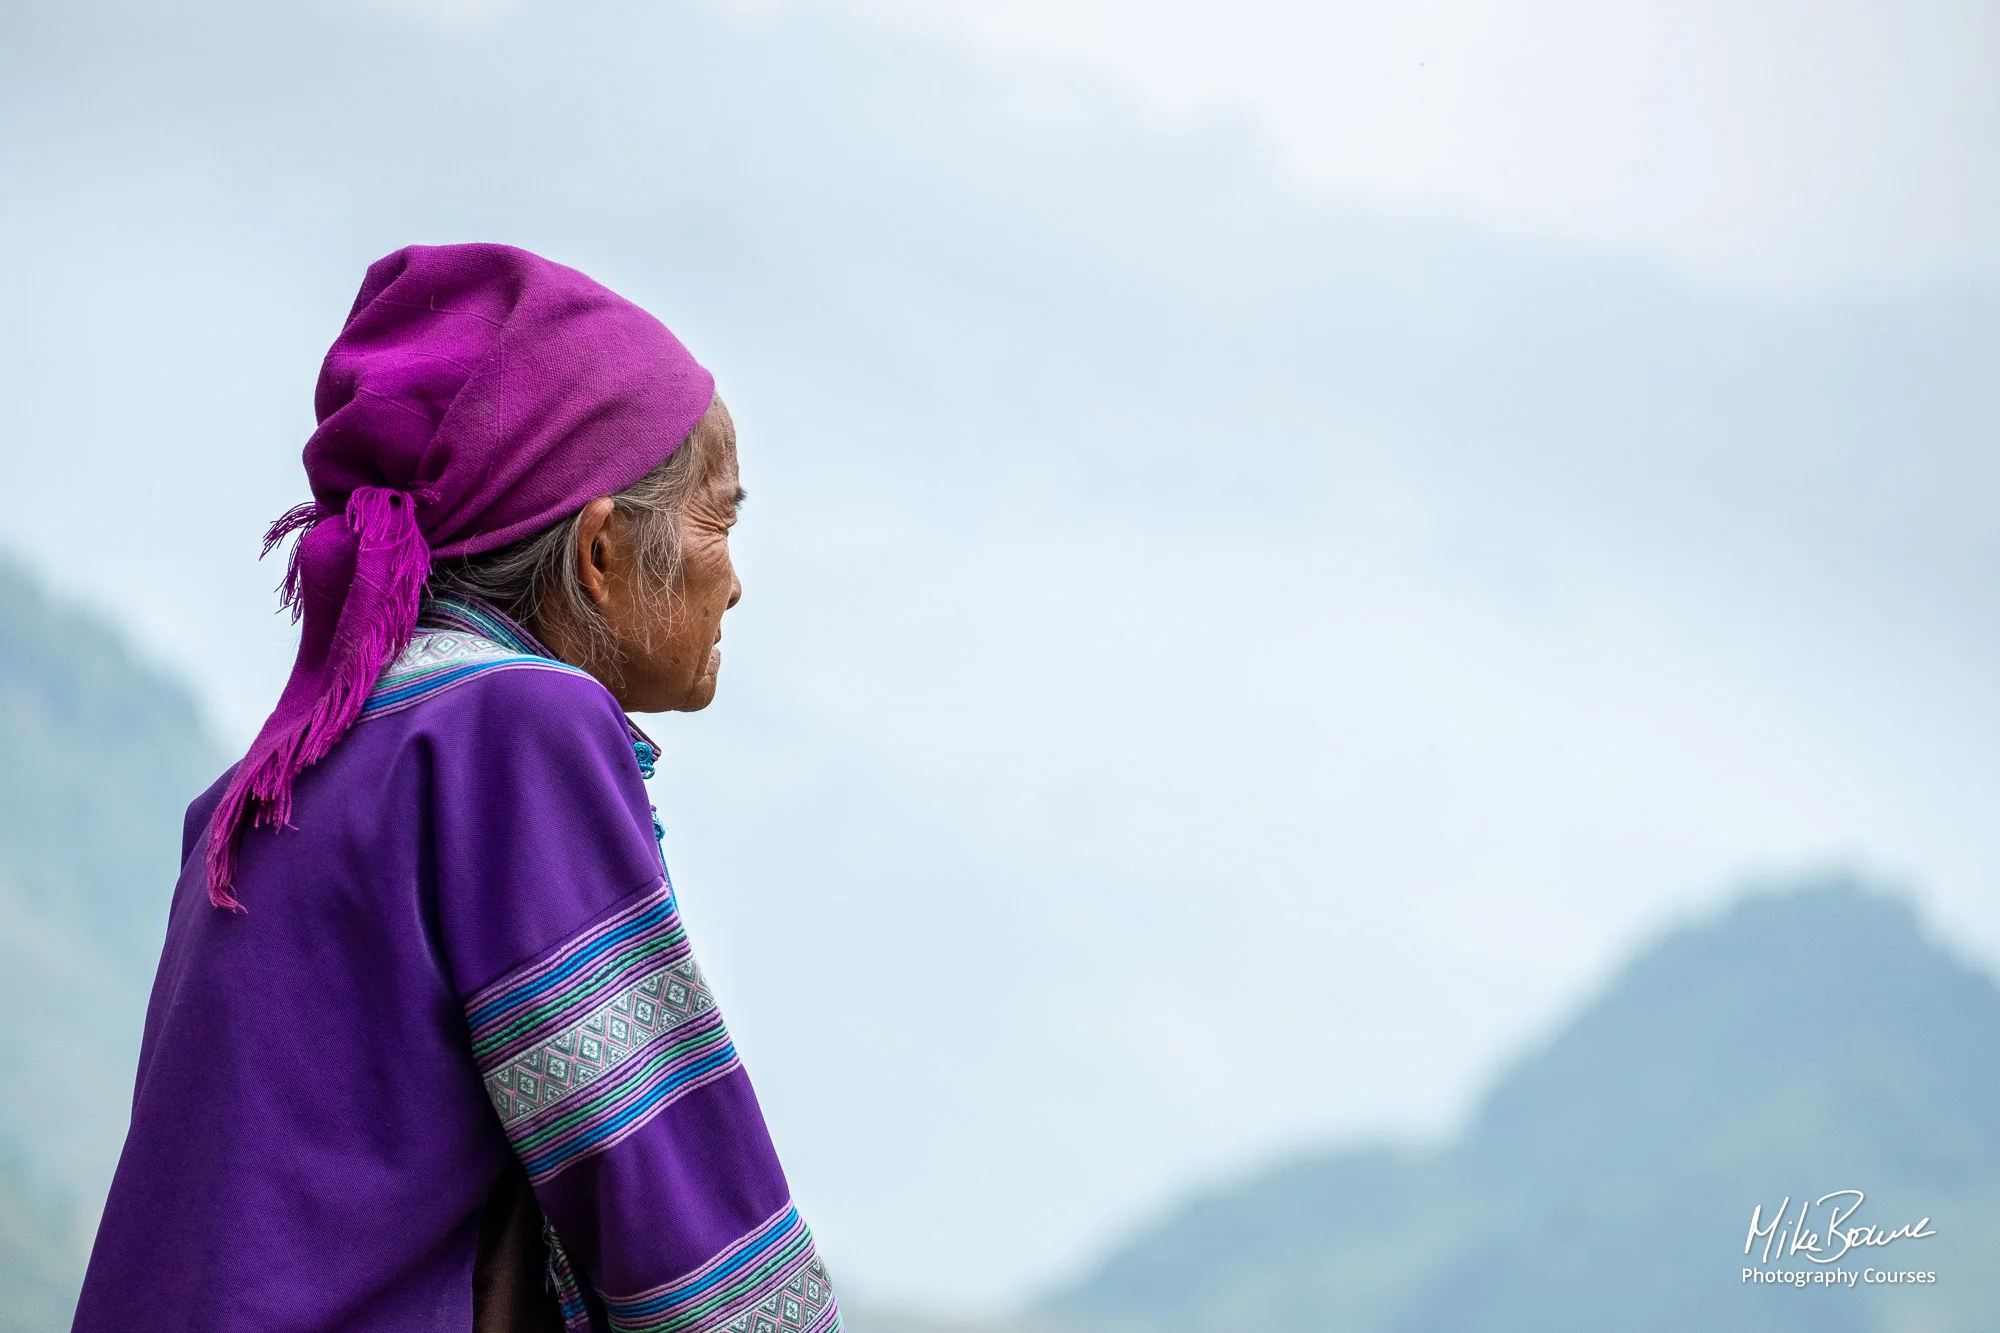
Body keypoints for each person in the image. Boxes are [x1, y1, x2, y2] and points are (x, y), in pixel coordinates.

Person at [73, 244, 842, 1333]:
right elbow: (670, 1210)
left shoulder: (279, 774)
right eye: (719, 518)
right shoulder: (515, 729)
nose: (734, 577)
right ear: (599, 551)